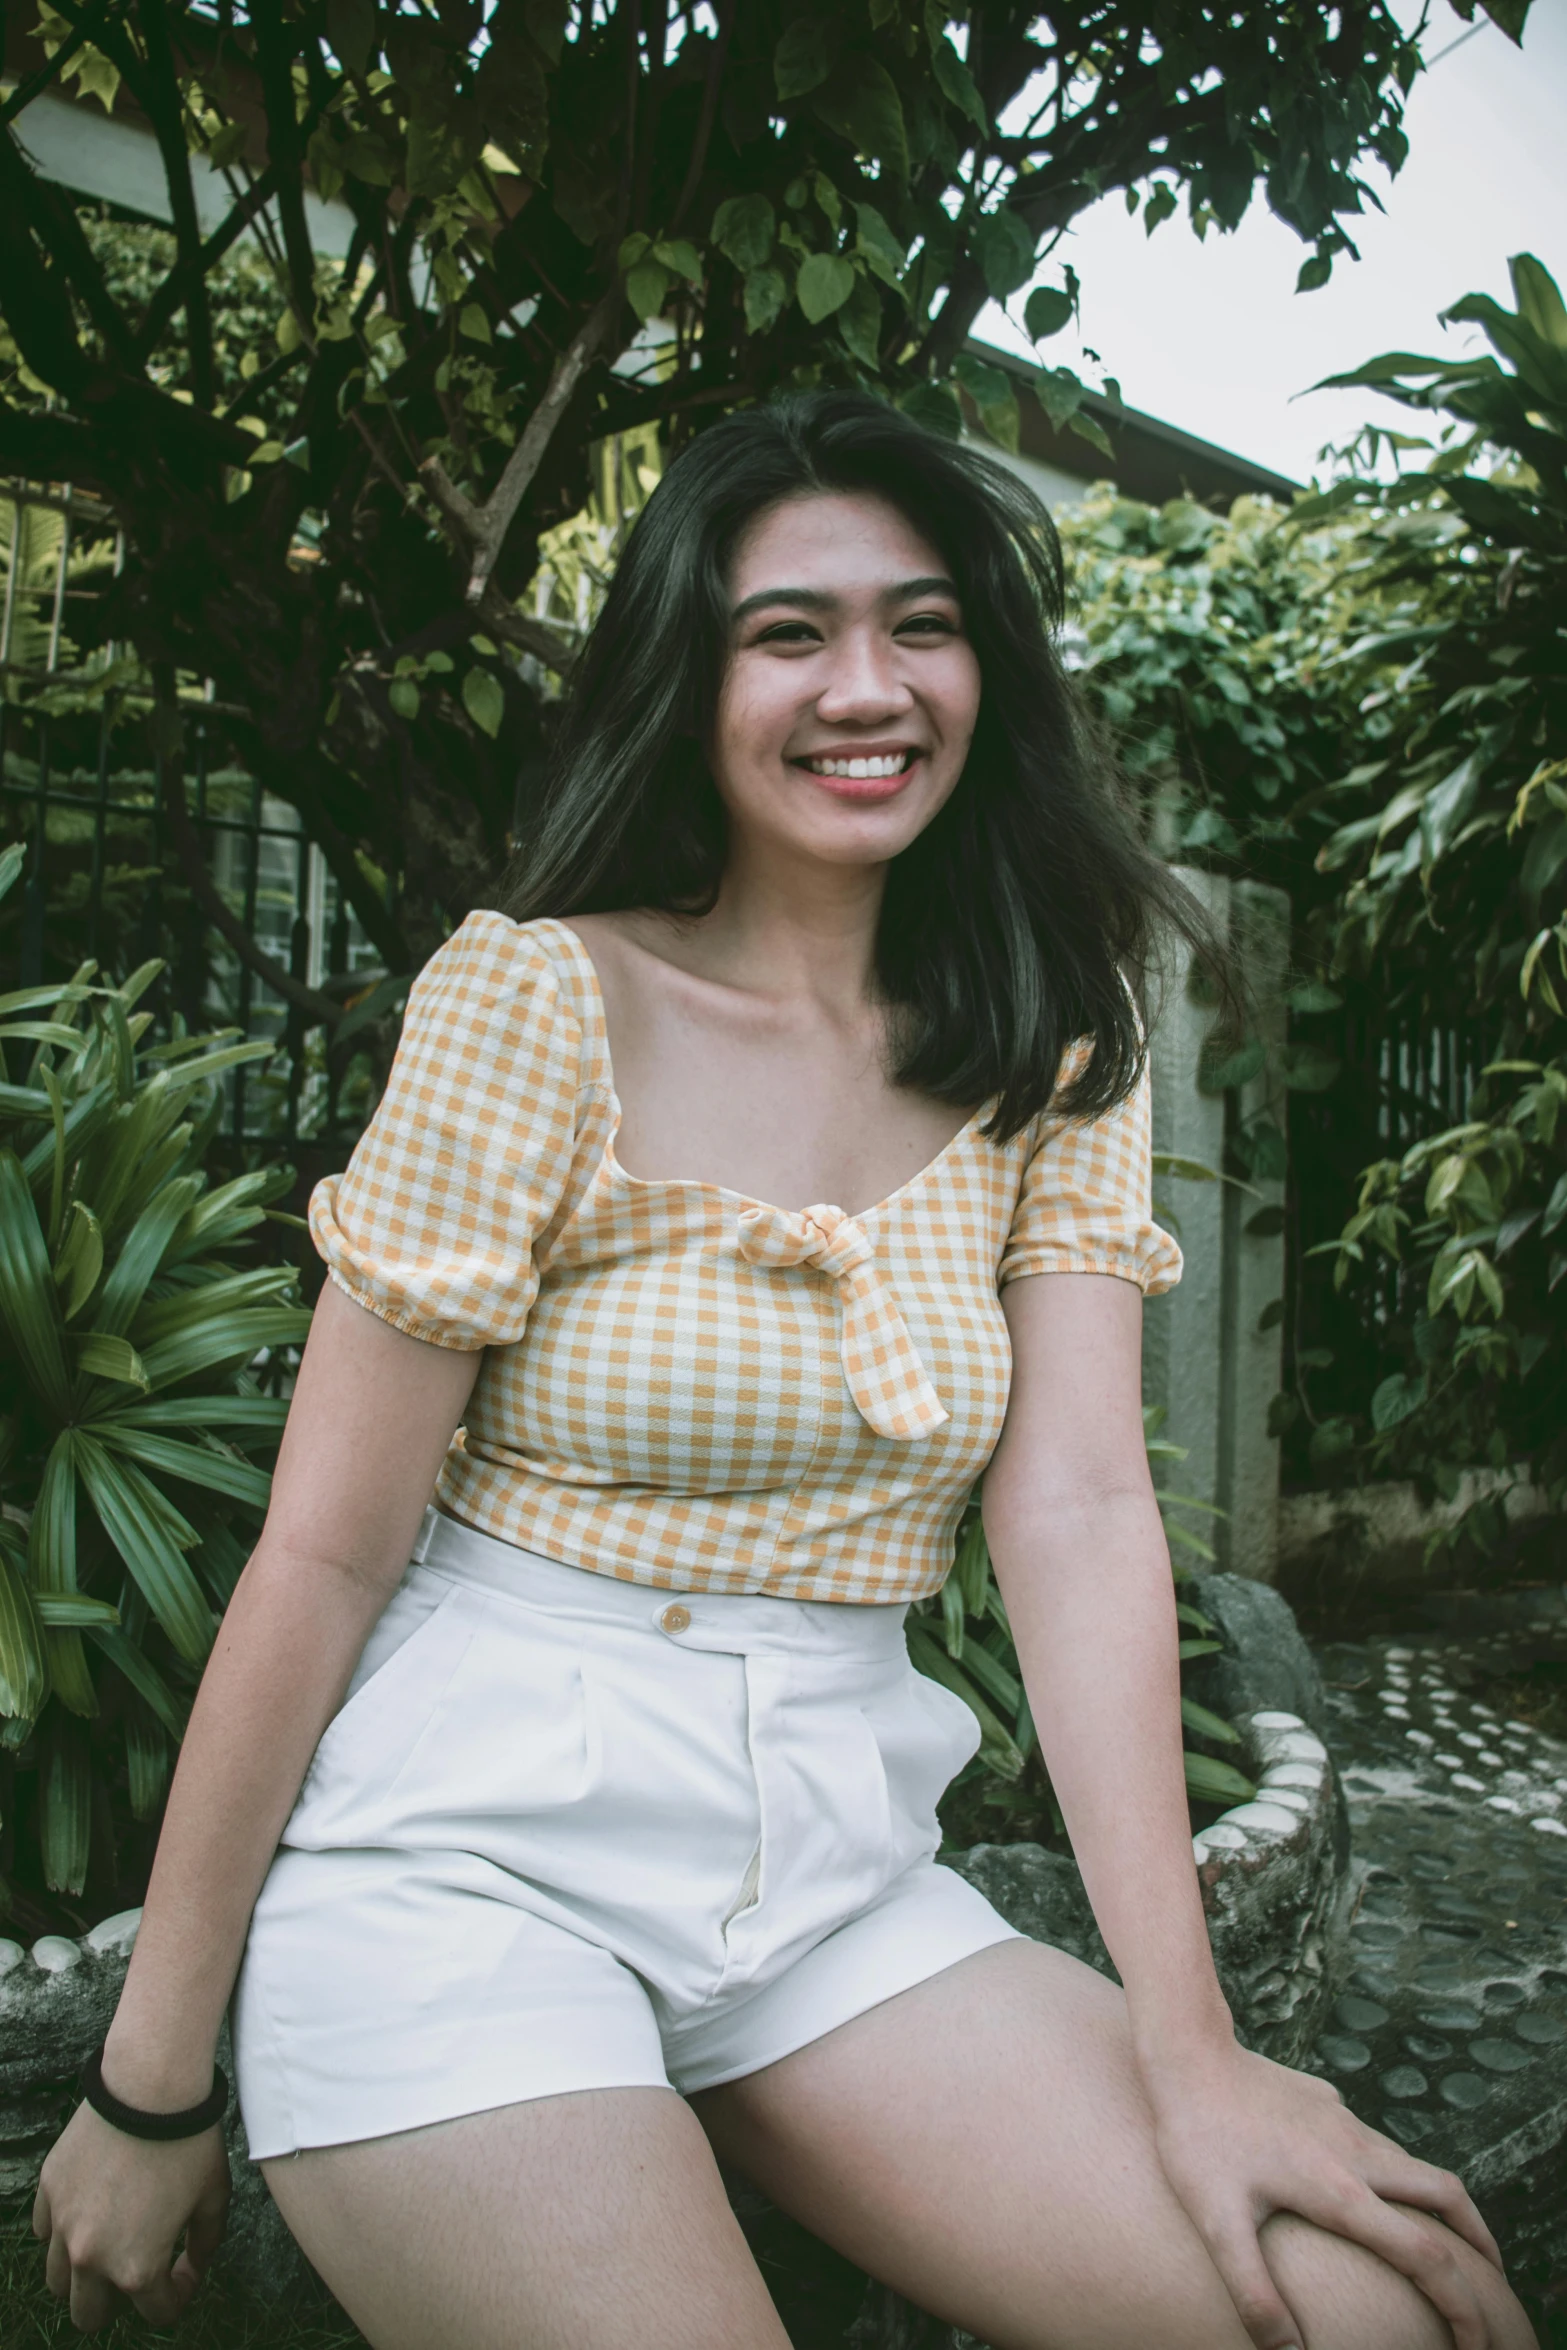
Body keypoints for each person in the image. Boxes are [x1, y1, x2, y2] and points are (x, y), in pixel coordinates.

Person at [34, 393, 1533, 2350]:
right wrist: (153, 2076)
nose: (871, 683)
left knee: (1369, 2305)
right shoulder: (536, 999)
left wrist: (1196, 2051)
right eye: (789, 630)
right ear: (692, 673)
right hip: (462, 1866)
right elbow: (319, 1557)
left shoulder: (1053, 1022)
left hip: (833, 1883)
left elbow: (1080, 1511)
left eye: (923, 622)